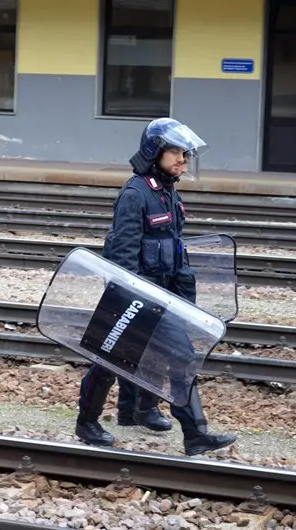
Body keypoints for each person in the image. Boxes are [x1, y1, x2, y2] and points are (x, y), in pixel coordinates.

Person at [76, 117, 238, 457]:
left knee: (168, 357)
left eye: (186, 154)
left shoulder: (166, 192)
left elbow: (174, 247)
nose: (183, 160)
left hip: (164, 296)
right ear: (155, 152)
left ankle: (180, 428)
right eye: (176, 152)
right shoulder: (135, 195)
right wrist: (140, 302)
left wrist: (184, 297)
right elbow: (122, 258)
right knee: (109, 362)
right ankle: (88, 422)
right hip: (138, 297)